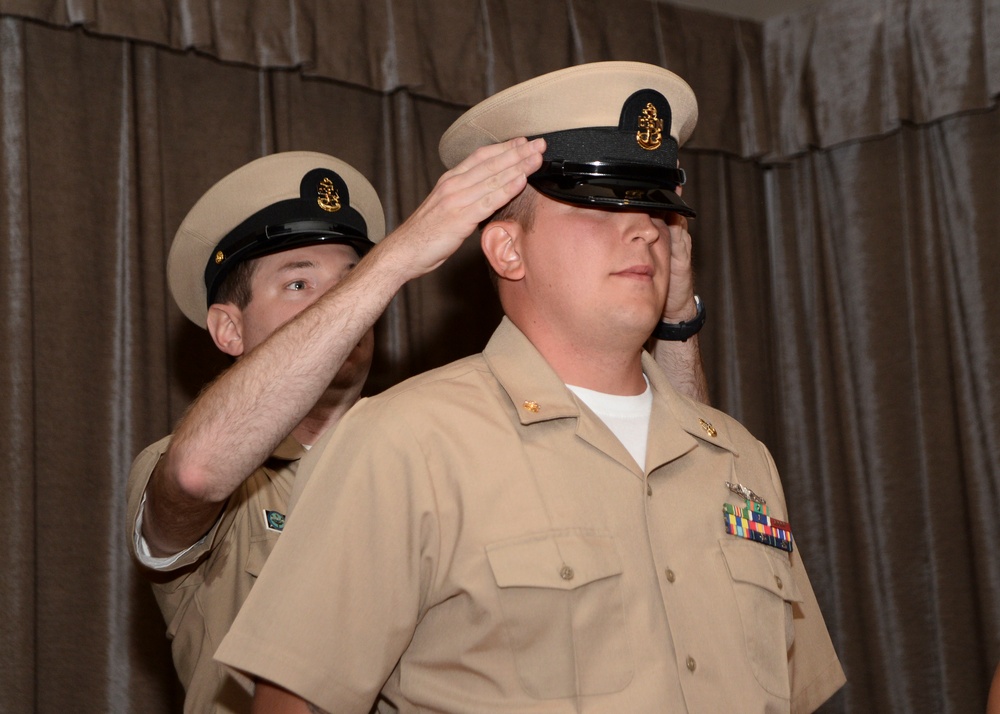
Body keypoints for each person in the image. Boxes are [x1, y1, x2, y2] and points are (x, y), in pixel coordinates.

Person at [214, 61, 845, 713]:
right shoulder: (407, 442)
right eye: (599, 202)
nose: (644, 229)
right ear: (507, 249)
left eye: (657, 205)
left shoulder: (740, 459)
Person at [127, 140, 709, 709]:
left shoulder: (440, 450)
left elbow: (686, 488)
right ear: (228, 330)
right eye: (299, 284)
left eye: (351, 277)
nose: (343, 300)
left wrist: (676, 323)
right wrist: (394, 260)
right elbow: (198, 474)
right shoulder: (212, 476)